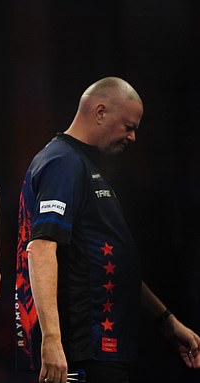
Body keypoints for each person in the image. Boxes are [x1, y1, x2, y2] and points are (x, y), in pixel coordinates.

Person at [14, 76, 200, 383]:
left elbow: (109, 262)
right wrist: (51, 340)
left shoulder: (84, 165)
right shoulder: (63, 163)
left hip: (103, 347)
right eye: (129, 127)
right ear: (101, 112)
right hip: (82, 352)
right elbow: (41, 248)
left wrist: (167, 321)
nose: (133, 137)